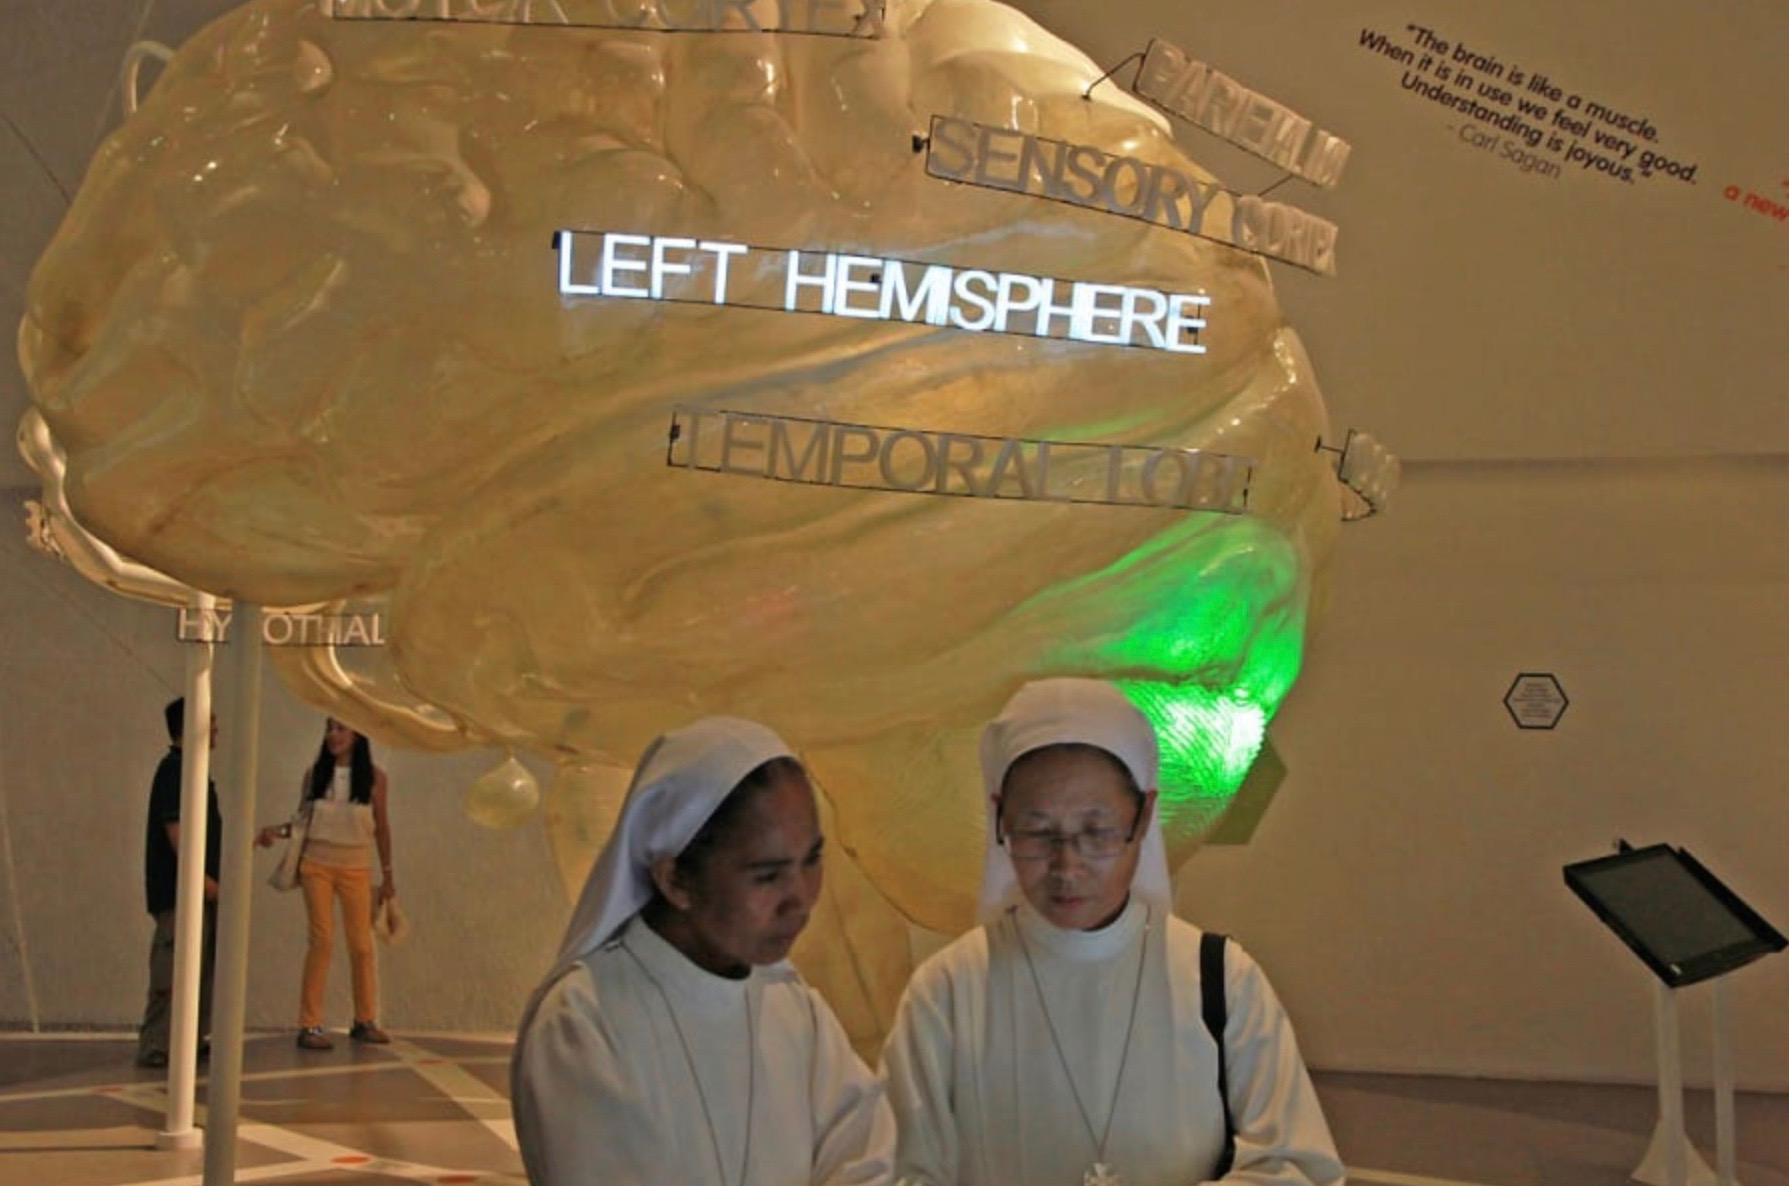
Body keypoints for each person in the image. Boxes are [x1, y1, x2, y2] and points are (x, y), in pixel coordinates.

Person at [880, 679, 1344, 1186]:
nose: (1067, 866)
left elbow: (1297, 1168)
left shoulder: (1223, 979)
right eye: (1037, 832)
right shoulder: (947, 990)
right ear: (999, 820)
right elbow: (899, 1172)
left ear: (1143, 817)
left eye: (1096, 831)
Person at [511, 716, 895, 1186]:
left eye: (811, 860)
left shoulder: (795, 1010)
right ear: (674, 879)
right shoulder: (584, 1022)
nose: (802, 898)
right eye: (768, 874)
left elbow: (867, 1160)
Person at [257, 718, 395, 1049]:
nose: (334, 735)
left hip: (356, 867)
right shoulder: (314, 774)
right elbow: (302, 822)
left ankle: (365, 1019)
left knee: (362, 945)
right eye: (329, 729)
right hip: (316, 866)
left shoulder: (375, 778)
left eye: (341, 728)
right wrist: (276, 832)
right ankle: (310, 1024)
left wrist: (388, 875)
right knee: (321, 940)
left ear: (358, 734)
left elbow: (382, 826)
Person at [138, 697, 221, 1069]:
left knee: (199, 968)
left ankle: (191, 1038)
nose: (217, 730)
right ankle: (157, 1043)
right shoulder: (175, 771)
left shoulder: (195, 770)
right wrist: (201, 880)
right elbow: (177, 832)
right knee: (171, 969)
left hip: (199, 891)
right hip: (179, 892)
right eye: (211, 722)